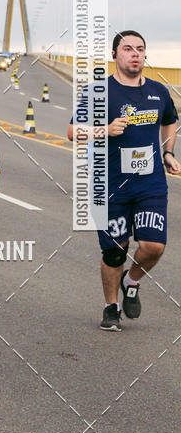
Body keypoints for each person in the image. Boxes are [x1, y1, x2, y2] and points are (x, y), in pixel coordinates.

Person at [67, 30, 180, 330]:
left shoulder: (158, 91)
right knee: (115, 251)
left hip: (150, 183)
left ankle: (132, 281)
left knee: (154, 246)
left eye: (140, 49)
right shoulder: (97, 92)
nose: (135, 54)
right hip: (109, 186)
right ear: (115, 55)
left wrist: (168, 152)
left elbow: (170, 120)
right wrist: (103, 130)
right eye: (128, 48)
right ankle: (110, 306)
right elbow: (72, 132)